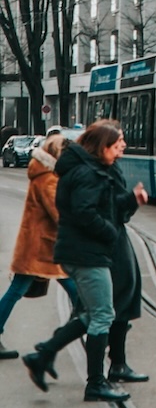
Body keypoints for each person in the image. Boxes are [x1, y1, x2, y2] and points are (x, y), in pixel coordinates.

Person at [23, 120, 149, 403]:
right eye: (118, 145)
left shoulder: (93, 170)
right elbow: (84, 212)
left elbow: (111, 209)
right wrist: (108, 233)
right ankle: (94, 383)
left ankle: (43, 356)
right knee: (101, 314)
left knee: (95, 313)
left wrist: (130, 201)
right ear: (103, 146)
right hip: (87, 253)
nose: (123, 149)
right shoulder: (87, 173)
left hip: (86, 252)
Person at [0, 135, 79, 361]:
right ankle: (87, 331)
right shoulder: (48, 179)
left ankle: (84, 331)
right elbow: (59, 213)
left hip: (42, 246)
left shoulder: (46, 175)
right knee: (77, 291)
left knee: (17, 290)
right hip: (42, 247)